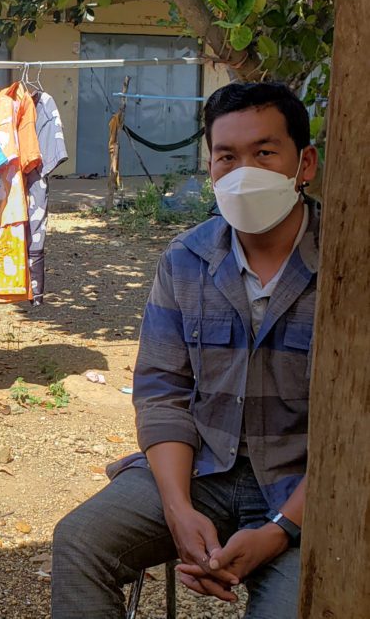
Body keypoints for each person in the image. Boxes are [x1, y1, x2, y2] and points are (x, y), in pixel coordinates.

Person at [51, 82, 319, 618]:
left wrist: (280, 530)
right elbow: (162, 392)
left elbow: (358, 435)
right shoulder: (186, 260)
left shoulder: (352, 265)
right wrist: (176, 509)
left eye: (265, 153)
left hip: (310, 490)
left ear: (304, 163)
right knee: (78, 543)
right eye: (228, 156)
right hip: (203, 472)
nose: (245, 171)